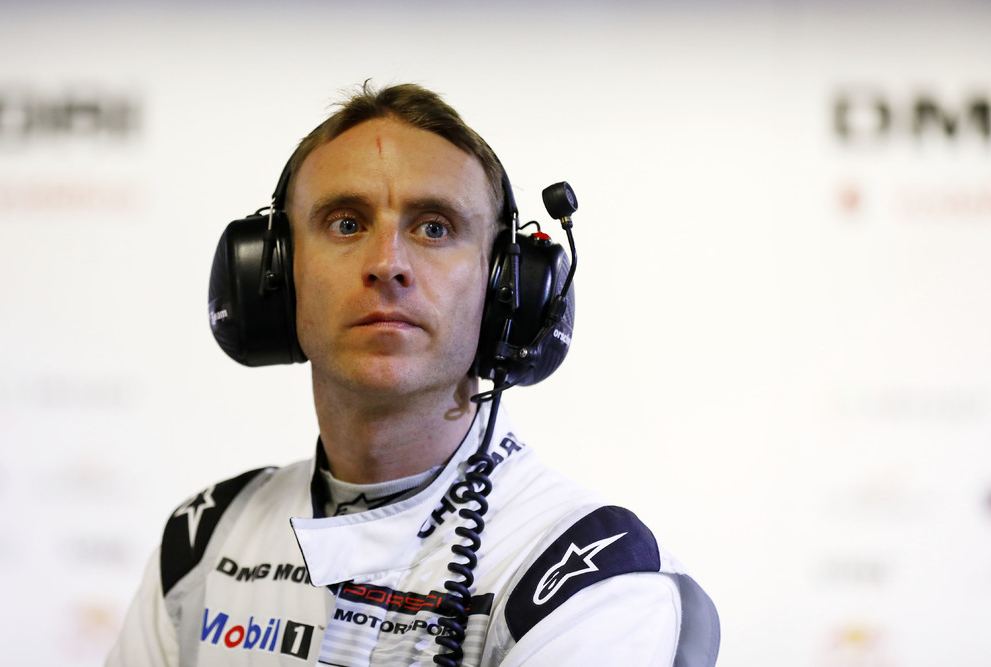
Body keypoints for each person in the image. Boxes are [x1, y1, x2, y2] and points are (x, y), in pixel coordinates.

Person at [107, 82, 720, 666]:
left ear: (506, 288)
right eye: (346, 223)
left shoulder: (593, 578)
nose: (387, 263)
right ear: (273, 274)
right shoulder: (205, 538)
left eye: (434, 228)